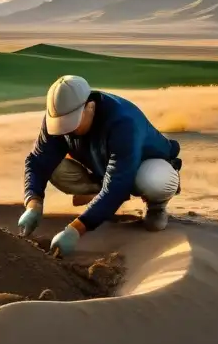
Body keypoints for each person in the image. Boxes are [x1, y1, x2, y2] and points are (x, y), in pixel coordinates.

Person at [18, 75, 181, 256]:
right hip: (102, 169)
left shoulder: (123, 122)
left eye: (72, 122)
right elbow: (38, 161)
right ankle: (101, 199)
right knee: (53, 168)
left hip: (145, 166)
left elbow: (118, 183)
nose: (67, 130)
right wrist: (33, 203)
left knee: (154, 181)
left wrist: (75, 230)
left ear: (90, 106)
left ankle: (156, 205)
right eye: (61, 124)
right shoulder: (58, 118)